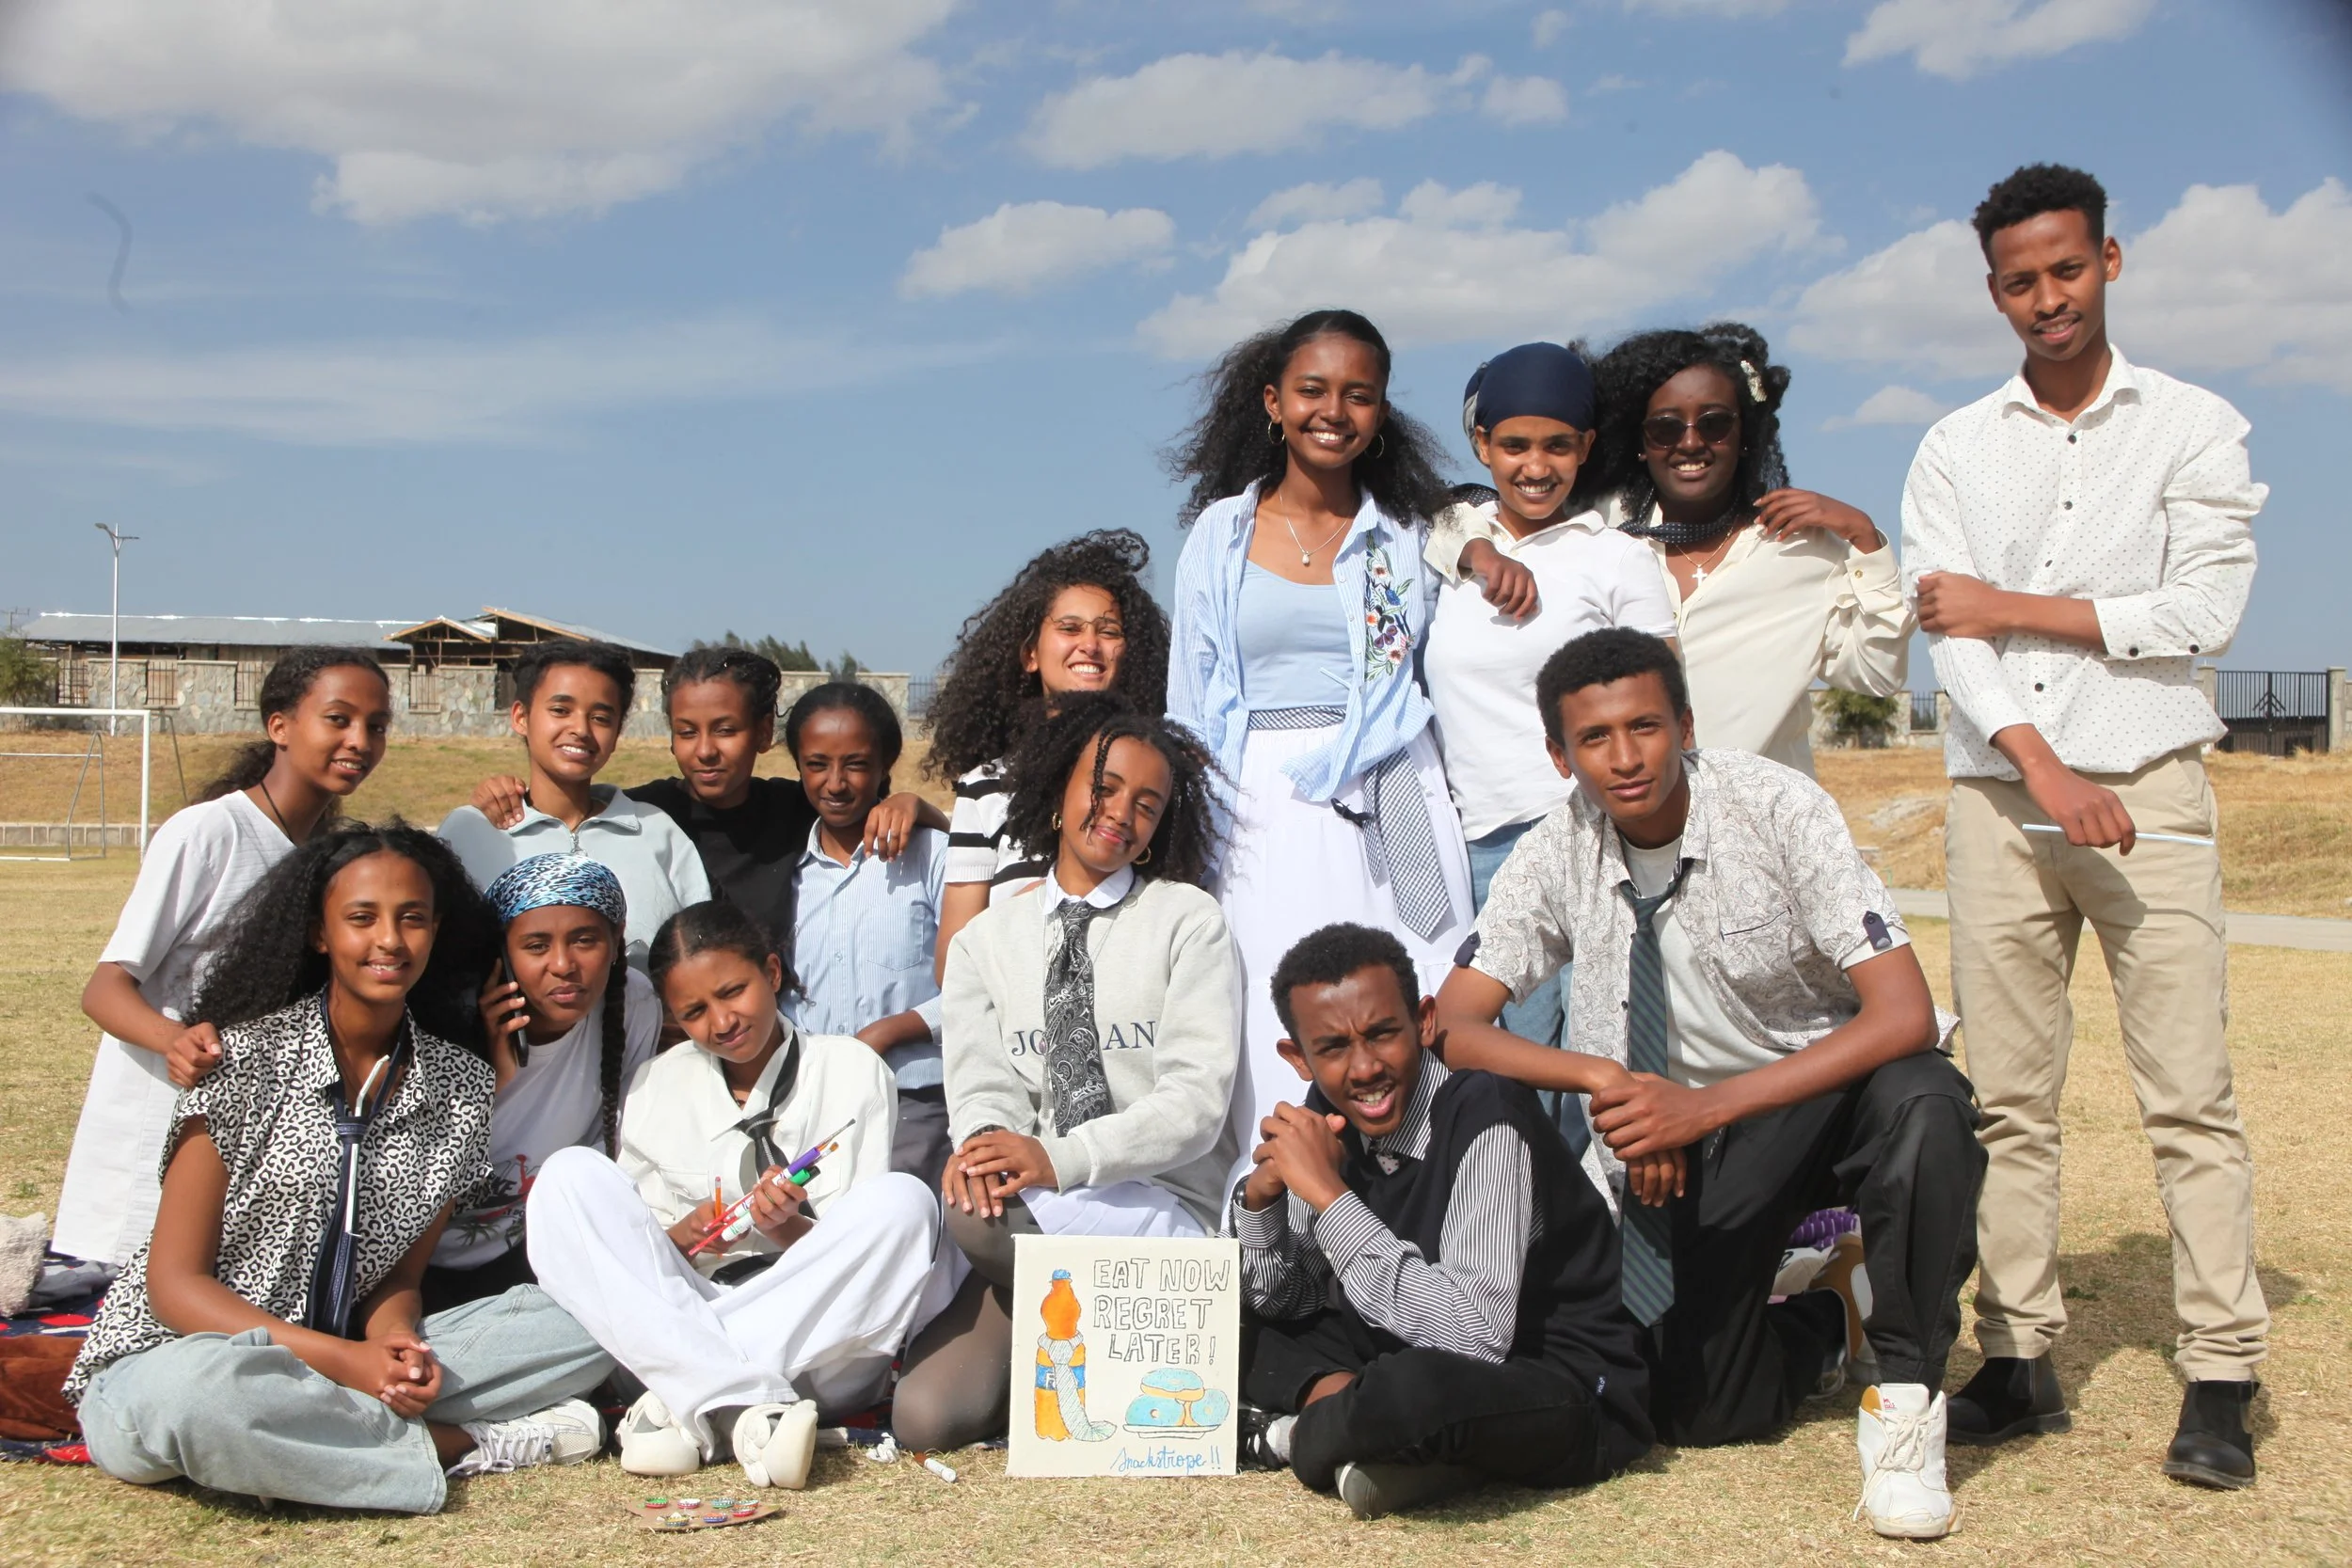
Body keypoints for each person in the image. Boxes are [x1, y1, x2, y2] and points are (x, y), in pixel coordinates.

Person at [1435, 629, 1984, 1541]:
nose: (1624, 756)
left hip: (1822, 1094)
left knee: (1925, 1101)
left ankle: (1906, 1399)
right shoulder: (1554, 848)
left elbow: (1903, 1015)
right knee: (1697, 1409)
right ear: (1557, 753)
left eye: (1645, 725)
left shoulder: (1776, 806)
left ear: (1684, 724)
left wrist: (1701, 1105)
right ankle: (1824, 1313)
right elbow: (1454, 1025)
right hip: (1684, 1139)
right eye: (1595, 738)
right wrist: (1609, 1082)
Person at [1902, 164, 2266, 1490]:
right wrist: (2043, 763)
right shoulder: (1954, 444)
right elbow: (1949, 630)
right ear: (1992, 289)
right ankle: (2018, 1353)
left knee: (2189, 1095)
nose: (2045, 298)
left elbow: (2201, 614)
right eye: (2019, 280)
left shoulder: (2194, 426)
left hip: (2154, 786)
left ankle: (2221, 1366)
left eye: (2066, 269)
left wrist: (2017, 600)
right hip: (2003, 799)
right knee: (2008, 1099)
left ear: (2111, 259)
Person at [65, 823, 612, 1514]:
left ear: (437, 931)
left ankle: (318, 1436)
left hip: (349, 1358)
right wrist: (347, 1363)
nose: (389, 939)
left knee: (585, 1324)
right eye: (362, 917)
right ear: (321, 933)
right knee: (205, 1401)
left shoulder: (462, 1087)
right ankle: (466, 1443)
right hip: (187, 1356)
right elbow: (175, 1287)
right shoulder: (238, 1063)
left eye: (412, 918)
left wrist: (395, 1347)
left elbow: (400, 1276)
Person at [1164, 307, 1473, 1196]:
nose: (1333, 410)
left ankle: (1420, 1211)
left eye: (1358, 395)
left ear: (1381, 412)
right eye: (1312, 390)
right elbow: (1191, 699)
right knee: (1267, 1007)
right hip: (1255, 800)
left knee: (1411, 995)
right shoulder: (1220, 534)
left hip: (1388, 789)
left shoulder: (1407, 534)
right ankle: (1277, 1226)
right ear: (1273, 402)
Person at [891, 695, 1237, 1452]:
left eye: (1147, 804)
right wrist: (987, 1144)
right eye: (1104, 786)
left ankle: (1097, 1343)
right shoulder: (987, 940)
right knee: (922, 1417)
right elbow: (981, 1085)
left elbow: (1196, 1102)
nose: (1120, 813)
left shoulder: (1190, 921)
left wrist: (1061, 1157)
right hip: (1040, 1208)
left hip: (1157, 1203)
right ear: (1058, 791)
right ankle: (1067, 1340)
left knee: (976, 1224)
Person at [1234, 922, 1653, 1521]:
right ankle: (1397, 1446)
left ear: (1424, 1022)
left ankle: (1295, 1437)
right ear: (1298, 1058)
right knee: (1232, 1319)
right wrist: (1264, 1204)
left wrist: (1330, 1199)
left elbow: (1476, 1336)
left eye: (1382, 1034)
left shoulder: (1486, 1111)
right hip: (1397, 1349)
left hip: (1553, 1378)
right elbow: (1288, 1301)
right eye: (1332, 1049)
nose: (1364, 1069)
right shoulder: (1327, 1113)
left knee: (1417, 1391)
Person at [525, 900, 937, 1489]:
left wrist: (786, 1227)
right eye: (693, 1011)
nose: (721, 1022)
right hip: (693, 1307)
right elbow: (640, 1266)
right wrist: (678, 1241)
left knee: (905, 1203)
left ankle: (691, 1402)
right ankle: (748, 1406)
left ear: (771, 973)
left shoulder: (851, 1068)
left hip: (818, 1347)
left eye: (732, 992)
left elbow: (857, 1269)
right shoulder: (656, 1084)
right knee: (568, 1175)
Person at [55, 647, 396, 1268]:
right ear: (280, 725)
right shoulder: (208, 832)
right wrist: (175, 1040)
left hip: (242, 1141)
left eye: (376, 726)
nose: (359, 740)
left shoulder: (331, 857)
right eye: (339, 718)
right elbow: (103, 988)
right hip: (156, 1127)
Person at [1421, 342, 1679, 1132]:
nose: (1536, 466)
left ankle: (1610, 1251)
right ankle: (1538, 1248)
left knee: (1606, 1061)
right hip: (1486, 850)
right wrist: (1472, 547)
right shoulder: (1446, 553)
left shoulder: (1615, 556)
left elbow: (1662, 696)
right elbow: (1437, 523)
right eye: (1515, 445)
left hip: (1591, 841)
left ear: (1588, 448)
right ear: (1482, 445)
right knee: (1524, 1080)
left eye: (1558, 445)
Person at [467, 643, 946, 950]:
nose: (705, 751)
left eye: (725, 730)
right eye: (687, 732)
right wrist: (504, 792)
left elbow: (877, 811)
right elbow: (570, 813)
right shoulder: (645, 818)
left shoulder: (798, 808)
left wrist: (914, 803)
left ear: (761, 733)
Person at [1588, 324, 1910, 775]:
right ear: (1640, 443)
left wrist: (1865, 538)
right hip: (1630, 824)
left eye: (1715, 423)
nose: (1691, 442)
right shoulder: (1600, 536)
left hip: (1762, 828)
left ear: (1745, 435)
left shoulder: (1806, 552)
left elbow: (1877, 676)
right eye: (1665, 428)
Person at [427, 853, 661, 1313]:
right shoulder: (450, 1021)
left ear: (617, 941)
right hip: (417, 1270)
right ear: (503, 953)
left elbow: (614, 1148)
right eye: (536, 946)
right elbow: (411, 1176)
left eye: (585, 940)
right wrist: (492, 1076)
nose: (563, 965)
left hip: (538, 1257)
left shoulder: (633, 1001)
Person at [929, 530, 1171, 964]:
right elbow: (952, 965)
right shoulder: (984, 787)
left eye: (1109, 630)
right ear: (1030, 655)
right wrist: (1029, 911)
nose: (1090, 645)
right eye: (1069, 628)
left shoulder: (1161, 776)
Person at [438, 639, 710, 969]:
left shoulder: (657, 831)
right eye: (560, 710)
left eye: (600, 717)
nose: (580, 729)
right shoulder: (472, 830)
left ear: (618, 730)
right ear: (521, 716)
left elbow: (701, 957)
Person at [779, 681, 953, 1187]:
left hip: (915, 1104)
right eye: (816, 764)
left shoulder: (930, 859)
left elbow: (978, 985)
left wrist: (890, 1032)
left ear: (885, 765)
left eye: (855, 764)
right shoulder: (788, 871)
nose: (835, 783)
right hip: (810, 1104)